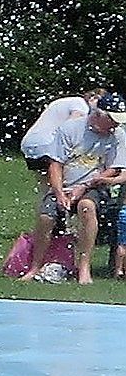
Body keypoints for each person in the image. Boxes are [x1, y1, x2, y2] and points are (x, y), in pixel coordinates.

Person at [24, 93, 126, 283]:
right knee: (46, 216)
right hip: (65, 185)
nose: (115, 125)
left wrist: (85, 185)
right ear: (99, 114)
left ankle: (84, 267)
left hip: (95, 186)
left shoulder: (118, 135)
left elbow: (114, 168)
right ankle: (35, 266)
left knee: (87, 207)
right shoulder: (70, 129)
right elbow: (55, 164)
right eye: (112, 120)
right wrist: (59, 192)